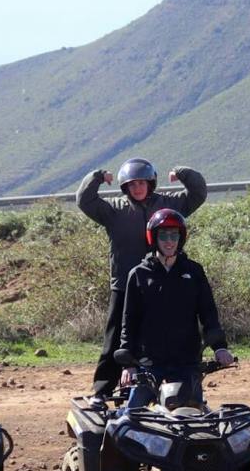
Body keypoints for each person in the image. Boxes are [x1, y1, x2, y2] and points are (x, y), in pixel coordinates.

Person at [76, 157, 209, 398]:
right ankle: (102, 392)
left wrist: (182, 172)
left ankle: (171, 387)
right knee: (115, 340)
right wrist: (97, 177)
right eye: (132, 184)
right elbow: (85, 201)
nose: (137, 188)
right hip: (124, 285)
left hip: (163, 283)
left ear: (151, 183)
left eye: (142, 183)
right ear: (125, 187)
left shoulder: (168, 204)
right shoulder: (114, 210)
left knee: (166, 335)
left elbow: (198, 193)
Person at [113, 208, 235, 415]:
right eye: (163, 236)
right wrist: (128, 364)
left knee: (195, 418)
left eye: (174, 235)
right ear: (154, 238)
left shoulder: (194, 271)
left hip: (186, 361)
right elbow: (129, 321)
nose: (169, 241)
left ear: (181, 238)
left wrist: (219, 347)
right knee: (130, 419)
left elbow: (208, 313)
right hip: (149, 364)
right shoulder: (139, 274)